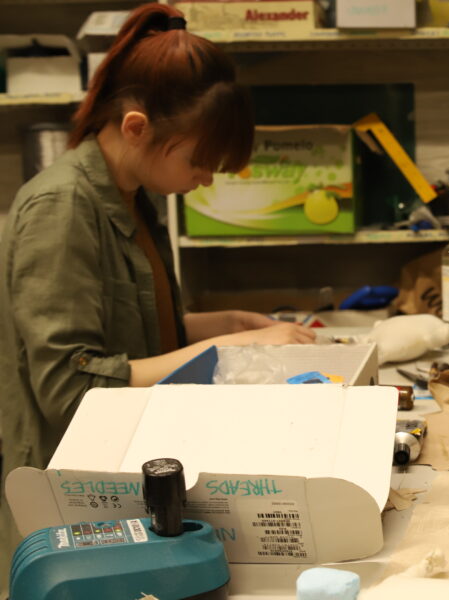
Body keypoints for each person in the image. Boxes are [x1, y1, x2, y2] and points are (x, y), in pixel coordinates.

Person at [0, 4, 315, 592]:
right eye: (199, 160)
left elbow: (134, 332)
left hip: (125, 468)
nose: (207, 178)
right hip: (67, 500)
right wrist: (228, 346)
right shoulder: (63, 208)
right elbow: (71, 388)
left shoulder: (134, 198)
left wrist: (222, 324)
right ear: (136, 128)